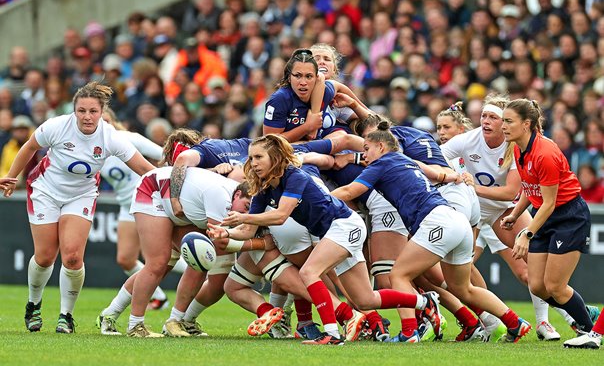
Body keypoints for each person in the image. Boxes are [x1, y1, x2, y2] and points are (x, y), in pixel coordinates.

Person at [209, 134, 445, 345]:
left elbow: (280, 216)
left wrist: (244, 216)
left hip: (345, 225)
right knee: (365, 300)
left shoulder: (294, 176)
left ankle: (331, 333)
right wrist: (226, 232)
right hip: (335, 231)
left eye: (259, 157)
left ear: (275, 157)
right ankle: (425, 303)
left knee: (308, 272)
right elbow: (249, 231)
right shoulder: (263, 188)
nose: (253, 163)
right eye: (251, 158)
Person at [330, 122, 531, 343]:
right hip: (457, 220)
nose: (364, 155)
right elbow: (435, 172)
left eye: (366, 148)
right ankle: (515, 322)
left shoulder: (382, 163)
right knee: (462, 288)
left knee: (398, 275)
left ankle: (409, 332)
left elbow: (350, 191)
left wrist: (321, 197)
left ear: (380, 146)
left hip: (437, 221)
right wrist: (452, 176)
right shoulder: (406, 159)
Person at [1, 81, 155, 334]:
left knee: (72, 257)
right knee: (45, 256)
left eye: (93, 111)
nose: (87, 116)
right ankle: (33, 304)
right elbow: (30, 146)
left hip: (81, 195)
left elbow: (141, 167)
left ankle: (66, 315)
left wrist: (169, 184)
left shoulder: (110, 137)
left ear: (102, 111)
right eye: (81, 110)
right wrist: (12, 175)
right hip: (45, 191)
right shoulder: (57, 126)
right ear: (74, 110)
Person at [440, 95, 564, 341]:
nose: (486, 121)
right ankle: (491, 321)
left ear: (506, 122)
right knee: (459, 270)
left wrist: (472, 186)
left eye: (494, 118)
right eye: (484, 116)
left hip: (501, 210)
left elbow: (510, 192)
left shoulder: (516, 146)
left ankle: (553, 321)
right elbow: (432, 156)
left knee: (531, 267)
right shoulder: (467, 140)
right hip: (472, 211)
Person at [97, 166, 252, 337]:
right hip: (153, 190)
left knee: (201, 260)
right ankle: (134, 325)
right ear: (237, 195)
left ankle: (174, 322)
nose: (246, 214)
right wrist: (258, 245)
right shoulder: (222, 198)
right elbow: (221, 241)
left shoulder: (232, 198)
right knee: (158, 263)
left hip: (181, 207)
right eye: (246, 206)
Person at [500, 98, 595, 336]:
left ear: (526, 124)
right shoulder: (519, 147)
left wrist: (526, 234)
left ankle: (589, 332)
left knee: (555, 286)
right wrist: (515, 214)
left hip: (568, 216)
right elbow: (530, 188)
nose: (503, 126)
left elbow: (550, 203)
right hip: (545, 214)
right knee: (538, 287)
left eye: (508, 121)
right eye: (503, 120)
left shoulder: (545, 153)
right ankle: (582, 310)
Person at [100, 109, 176, 310]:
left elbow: (163, 155)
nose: (102, 125)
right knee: (125, 259)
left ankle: (201, 273)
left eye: (106, 120)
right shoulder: (92, 149)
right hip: (126, 205)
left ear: (114, 123)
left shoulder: (129, 139)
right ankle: (159, 298)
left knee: (161, 258)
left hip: (148, 200)